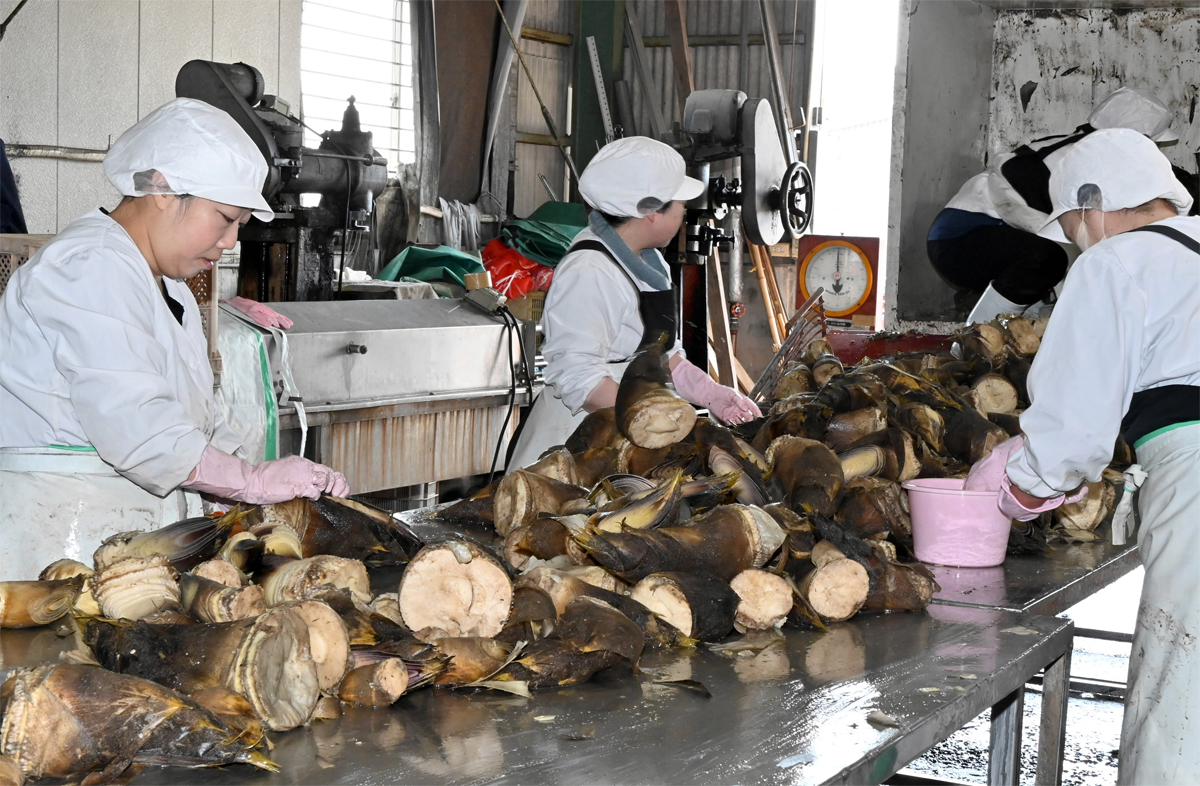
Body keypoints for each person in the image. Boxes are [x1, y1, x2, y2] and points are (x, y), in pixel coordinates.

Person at [0, 98, 347, 581]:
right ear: (162, 188)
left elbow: (198, 421)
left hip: (129, 540)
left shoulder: (172, 290)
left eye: (238, 227)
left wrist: (262, 479)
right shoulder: (89, 266)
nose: (229, 242)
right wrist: (248, 483)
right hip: (55, 542)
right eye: (224, 218)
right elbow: (143, 434)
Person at [967, 128, 1198, 784]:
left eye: (1072, 226)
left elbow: (1074, 422)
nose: (1076, 243)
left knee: (1183, 702)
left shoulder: (1117, 262)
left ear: (1093, 205)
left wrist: (1025, 481)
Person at [506, 137, 761, 469]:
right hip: (576, 443)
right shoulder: (591, 270)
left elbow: (664, 358)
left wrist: (712, 393)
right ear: (651, 211)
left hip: (626, 438)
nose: (685, 211)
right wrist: (652, 422)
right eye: (680, 202)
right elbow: (578, 376)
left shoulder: (649, 263)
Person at [926, 87, 1192, 324]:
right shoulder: (1084, 159)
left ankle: (989, 305)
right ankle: (977, 339)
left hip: (964, 237)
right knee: (1047, 258)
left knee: (1056, 259)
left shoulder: (1069, 147)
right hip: (960, 236)